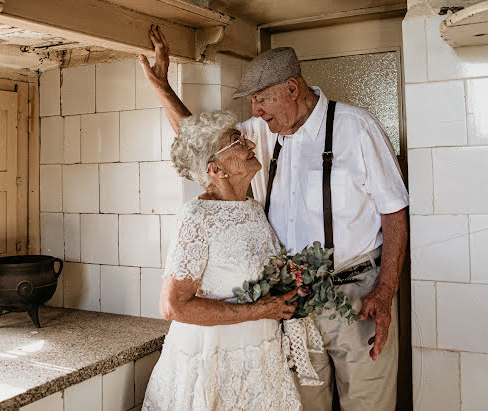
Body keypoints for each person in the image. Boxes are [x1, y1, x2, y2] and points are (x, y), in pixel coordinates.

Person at [138, 26, 409, 410]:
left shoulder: (356, 128)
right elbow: (201, 145)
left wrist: (384, 292)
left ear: (292, 90)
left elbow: (395, 211)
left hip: (357, 295)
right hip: (293, 303)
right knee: (305, 404)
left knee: (369, 404)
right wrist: (162, 87)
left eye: (261, 100)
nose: (256, 112)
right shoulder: (262, 136)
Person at [142, 110, 315, 410]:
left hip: (260, 356)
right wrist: (257, 310)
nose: (249, 144)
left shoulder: (253, 208)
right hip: (215, 359)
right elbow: (173, 306)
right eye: (236, 141)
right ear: (216, 170)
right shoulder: (195, 217)